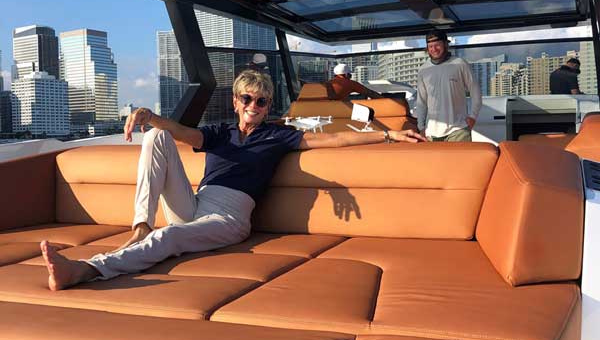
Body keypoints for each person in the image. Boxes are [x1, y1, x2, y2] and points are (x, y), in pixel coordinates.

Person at [40, 70, 425, 291]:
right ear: (236, 101)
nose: (253, 106)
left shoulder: (279, 136)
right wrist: (151, 117)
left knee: (170, 236)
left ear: (268, 106)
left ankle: (87, 269)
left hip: (229, 217)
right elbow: (182, 133)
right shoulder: (221, 132)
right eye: (247, 99)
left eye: (261, 101)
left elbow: (335, 139)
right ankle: (140, 226)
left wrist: (389, 135)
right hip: (194, 203)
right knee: (157, 136)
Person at [416, 29, 481, 142]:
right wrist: (421, 127)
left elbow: (476, 91)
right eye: (430, 46)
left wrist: (473, 117)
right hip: (431, 133)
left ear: (446, 44)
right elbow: (421, 101)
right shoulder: (423, 70)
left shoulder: (460, 64)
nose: (434, 49)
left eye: (437, 45)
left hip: (458, 130)